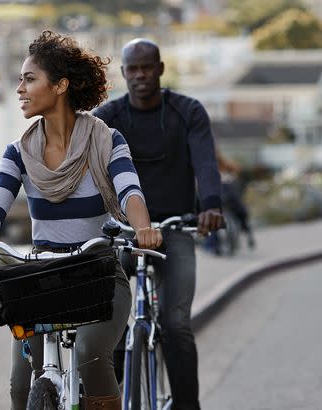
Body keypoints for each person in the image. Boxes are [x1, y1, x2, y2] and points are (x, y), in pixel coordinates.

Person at [0, 31, 162, 410]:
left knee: (93, 355)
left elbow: (130, 193)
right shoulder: (19, 153)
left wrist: (143, 228)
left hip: (99, 273)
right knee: (18, 384)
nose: (20, 90)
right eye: (20, 80)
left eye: (30, 79)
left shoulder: (106, 140)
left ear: (60, 85)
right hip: (42, 277)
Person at [93, 38, 224, 410]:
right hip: (124, 234)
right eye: (132, 69)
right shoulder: (107, 119)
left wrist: (210, 206)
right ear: (122, 73)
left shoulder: (188, 112)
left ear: (161, 69)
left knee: (176, 323)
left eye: (147, 67)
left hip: (175, 229)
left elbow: (205, 163)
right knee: (111, 328)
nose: (140, 75)